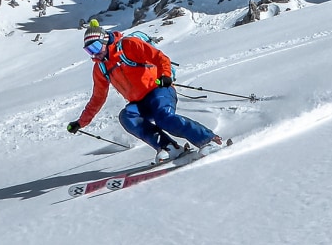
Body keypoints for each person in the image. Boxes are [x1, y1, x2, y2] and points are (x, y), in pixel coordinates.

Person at [67, 20, 223, 163]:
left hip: (159, 90)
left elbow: (160, 58)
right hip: (139, 103)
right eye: (89, 51)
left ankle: (208, 140)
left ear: (105, 40)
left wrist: (165, 76)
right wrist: (81, 122)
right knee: (127, 116)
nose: (94, 54)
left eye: (95, 47)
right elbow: (98, 97)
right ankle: (169, 147)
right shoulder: (100, 68)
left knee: (164, 118)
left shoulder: (129, 45)